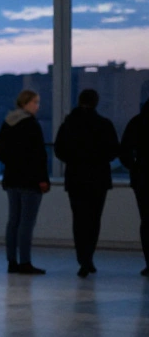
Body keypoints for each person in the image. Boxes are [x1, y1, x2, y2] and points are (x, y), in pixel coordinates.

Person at [53, 89, 120, 277]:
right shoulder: (104, 124)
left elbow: (59, 150)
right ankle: (88, 257)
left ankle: (82, 258)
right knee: (93, 219)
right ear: (96, 102)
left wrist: (75, 160)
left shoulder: (68, 124)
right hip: (98, 178)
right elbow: (114, 151)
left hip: (75, 177)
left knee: (79, 220)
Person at [0, 89, 50, 274]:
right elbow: (39, 155)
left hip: (12, 178)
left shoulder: (8, 122)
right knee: (26, 223)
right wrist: (43, 179)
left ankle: (12, 261)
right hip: (30, 180)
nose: (37, 106)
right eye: (35, 102)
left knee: (13, 221)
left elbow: (1, 153)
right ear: (25, 103)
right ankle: (25, 261)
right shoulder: (31, 124)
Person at [120, 98, 149, 276]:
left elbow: (124, 151)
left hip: (142, 179)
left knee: (146, 221)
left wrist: (135, 168)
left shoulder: (137, 123)